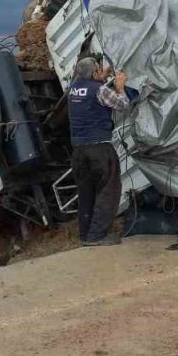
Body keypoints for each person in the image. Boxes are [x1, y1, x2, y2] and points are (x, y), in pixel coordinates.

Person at [68, 56, 134, 246]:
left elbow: (87, 91)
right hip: (99, 149)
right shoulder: (99, 90)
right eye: (99, 70)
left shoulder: (73, 89)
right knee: (108, 190)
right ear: (95, 73)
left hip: (79, 151)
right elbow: (123, 106)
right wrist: (120, 87)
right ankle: (97, 236)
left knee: (86, 193)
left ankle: (85, 235)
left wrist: (101, 77)